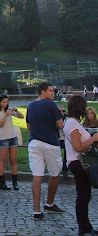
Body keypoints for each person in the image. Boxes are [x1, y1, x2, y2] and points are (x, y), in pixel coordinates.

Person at [26, 82, 65, 220]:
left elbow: (28, 125)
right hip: (50, 142)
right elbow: (60, 125)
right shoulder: (50, 104)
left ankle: (37, 211)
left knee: (37, 176)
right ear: (43, 92)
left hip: (34, 142)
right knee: (54, 174)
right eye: (50, 90)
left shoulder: (30, 106)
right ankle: (49, 203)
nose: (53, 93)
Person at [64, 95, 98, 236]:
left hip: (78, 162)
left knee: (85, 195)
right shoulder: (72, 123)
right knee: (83, 196)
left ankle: (86, 227)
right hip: (78, 162)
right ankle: (84, 228)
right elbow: (78, 146)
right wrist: (94, 138)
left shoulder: (74, 123)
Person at [0, 94, 25, 190]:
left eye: (7, 102)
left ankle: (15, 182)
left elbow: (21, 117)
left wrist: (16, 110)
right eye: (4, 102)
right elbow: (0, 124)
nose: (6, 104)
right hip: (4, 138)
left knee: (13, 160)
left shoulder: (9, 110)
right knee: (3, 160)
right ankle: (2, 183)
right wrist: (6, 114)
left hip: (13, 136)